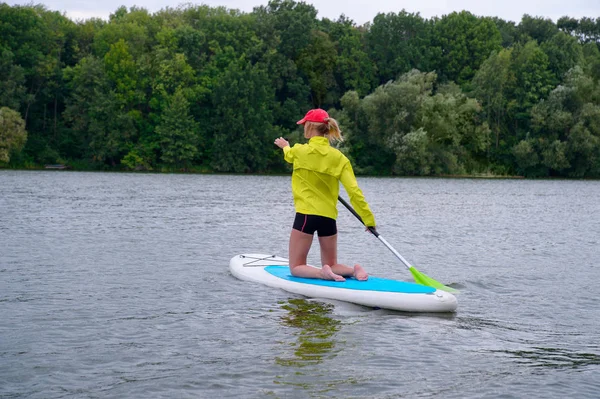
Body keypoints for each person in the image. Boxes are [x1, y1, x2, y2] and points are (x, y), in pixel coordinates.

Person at [274, 108, 376, 282]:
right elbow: (354, 192)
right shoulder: (340, 158)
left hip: (306, 215)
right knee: (332, 263)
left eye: (304, 124)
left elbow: (289, 155)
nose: (303, 126)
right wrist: (368, 219)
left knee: (296, 267)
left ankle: (322, 273)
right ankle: (353, 270)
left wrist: (285, 147)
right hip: (329, 217)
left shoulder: (299, 151)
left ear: (310, 126)